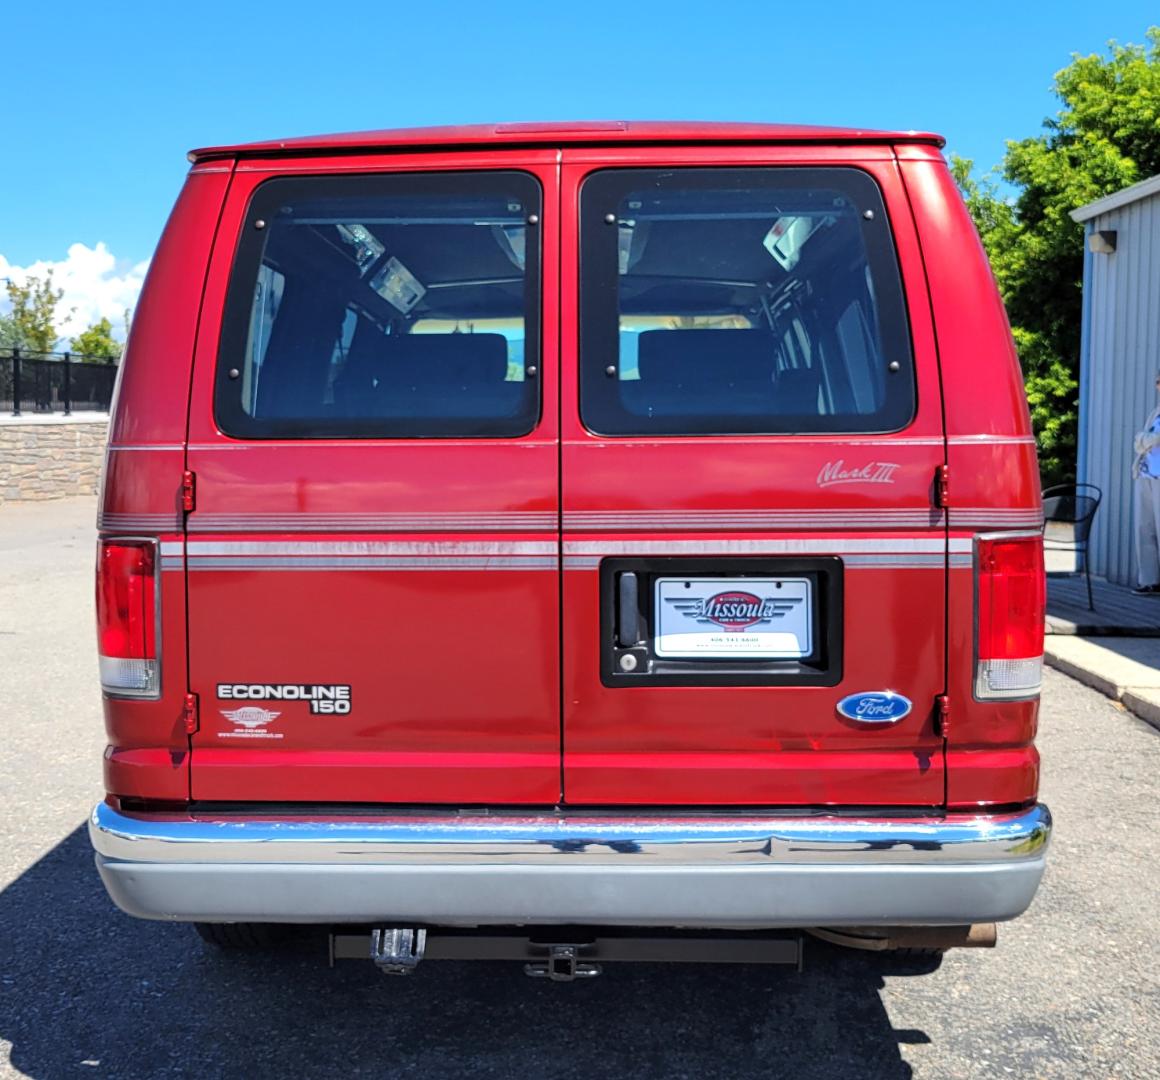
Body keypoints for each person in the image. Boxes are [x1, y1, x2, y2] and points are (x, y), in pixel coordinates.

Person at [1132, 371, 1160, 594]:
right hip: (1145, 475)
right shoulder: (1155, 413)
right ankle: (1149, 580)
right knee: (1145, 529)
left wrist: (1146, 439)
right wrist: (1146, 439)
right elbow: (1139, 443)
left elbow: (1149, 439)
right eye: (1159, 382)